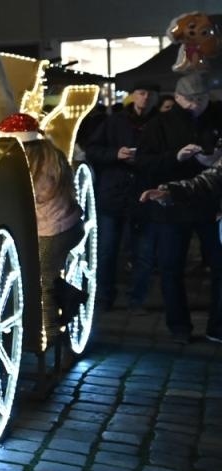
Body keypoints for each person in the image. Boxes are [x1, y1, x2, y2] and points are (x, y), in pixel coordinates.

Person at [134, 71, 222, 342]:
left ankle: (217, 326)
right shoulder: (159, 125)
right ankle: (179, 326)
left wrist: (211, 158)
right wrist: (176, 157)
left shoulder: (216, 119)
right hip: (170, 207)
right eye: (190, 99)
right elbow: (144, 163)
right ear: (179, 97)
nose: (196, 104)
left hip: (209, 205)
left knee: (219, 266)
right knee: (172, 268)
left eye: (201, 98)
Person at [0, 113, 84, 330]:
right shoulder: (50, 154)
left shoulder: (37, 163)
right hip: (64, 225)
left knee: (41, 282)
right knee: (44, 276)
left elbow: (34, 195)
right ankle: (71, 298)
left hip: (54, 230)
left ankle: (50, 334)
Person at [85, 83, 160, 309]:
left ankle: (137, 299)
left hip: (143, 194)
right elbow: (93, 150)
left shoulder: (158, 123)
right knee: (107, 251)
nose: (145, 98)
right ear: (133, 96)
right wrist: (115, 154)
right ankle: (105, 297)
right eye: (141, 92)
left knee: (143, 253)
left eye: (149, 94)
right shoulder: (115, 121)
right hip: (113, 194)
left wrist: (144, 159)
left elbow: (166, 157)